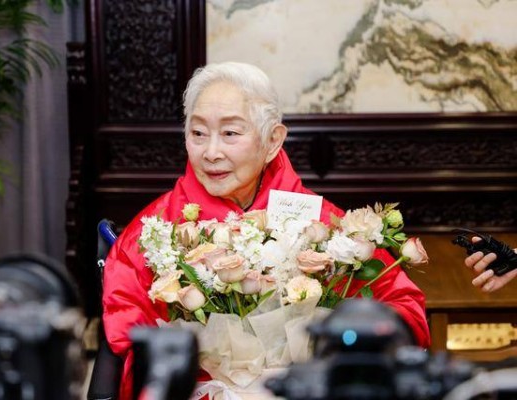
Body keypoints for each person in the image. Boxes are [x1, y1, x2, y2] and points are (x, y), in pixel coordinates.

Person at [102, 62, 431, 399]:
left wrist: (332, 352)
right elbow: (127, 333)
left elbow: (403, 305)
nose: (210, 152)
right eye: (198, 133)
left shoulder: (322, 227)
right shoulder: (154, 232)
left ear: (272, 140)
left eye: (230, 133)